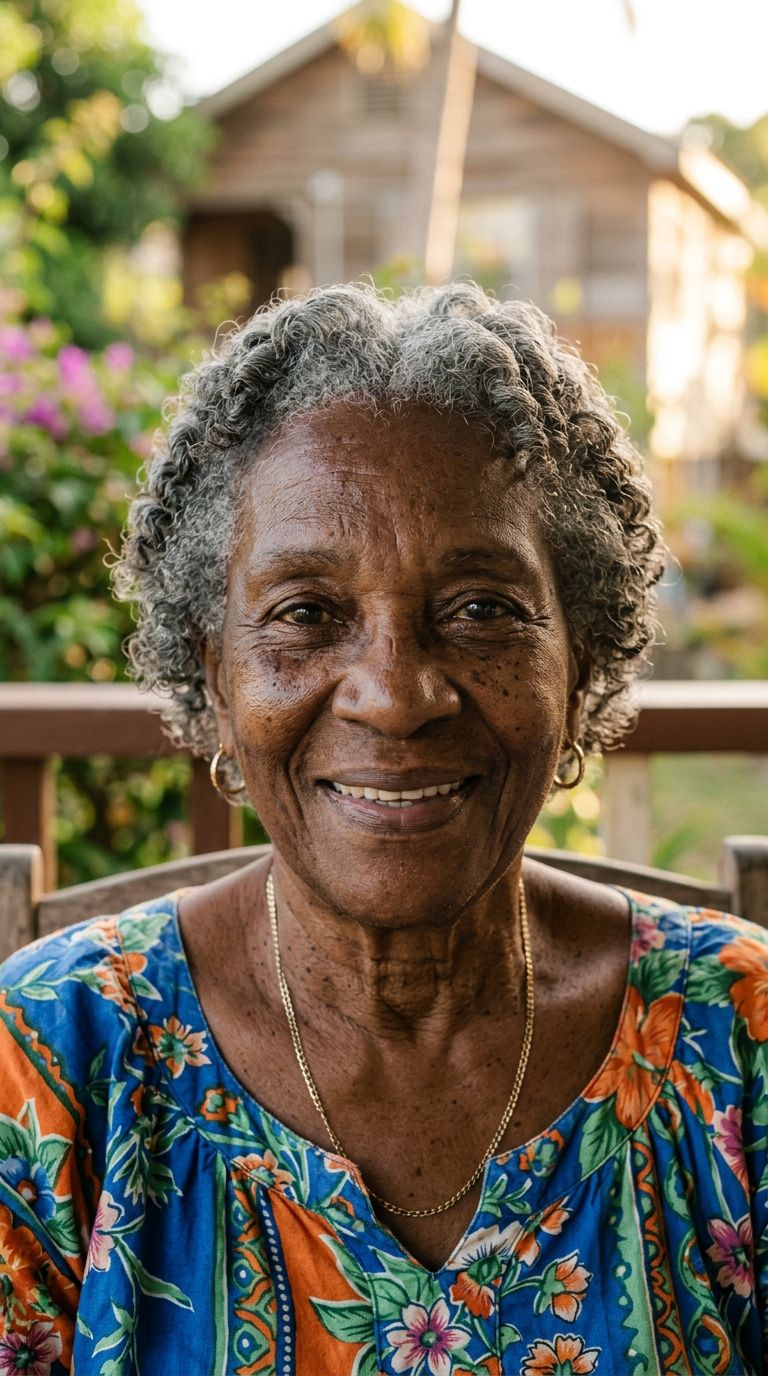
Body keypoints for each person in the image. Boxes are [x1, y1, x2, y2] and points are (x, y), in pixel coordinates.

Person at [0, 281, 765, 1376]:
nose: (395, 695)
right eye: (306, 613)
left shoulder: (740, 1041)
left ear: (581, 661)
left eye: (481, 609)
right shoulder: (50, 1061)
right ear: (212, 674)